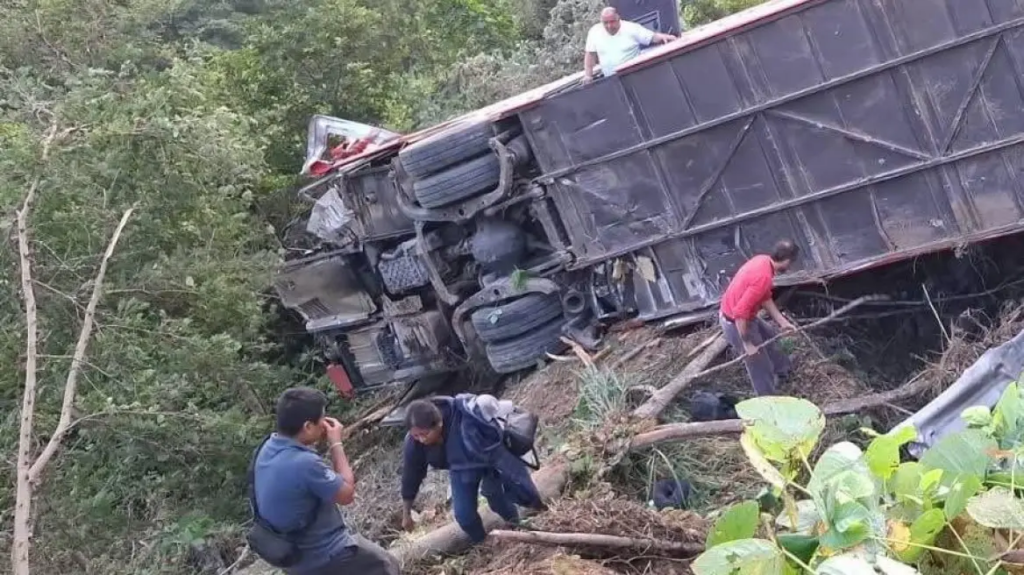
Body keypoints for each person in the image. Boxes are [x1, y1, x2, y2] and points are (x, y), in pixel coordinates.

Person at [253, 387, 400, 575]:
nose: (325, 423)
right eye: (322, 419)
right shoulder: (303, 463)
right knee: (386, 564)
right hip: (323, 555)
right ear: (307, 427)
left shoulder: (267, 448)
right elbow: (347, 495)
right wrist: (336, 443)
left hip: (291, 558)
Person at [400, 394, 544, 543]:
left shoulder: (468, 417)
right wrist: (406, 514)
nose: (421, 440)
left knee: (496, 499)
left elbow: (502, 455)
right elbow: (411, 475)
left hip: (489, 460)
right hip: (461, 469)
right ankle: (483, 543)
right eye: (416, 436)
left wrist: (528, 493)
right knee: (464, 516)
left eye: (424, 434)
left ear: (439, 424)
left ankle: (518, 527)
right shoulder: (414, 443)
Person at [719, 240, 800, 396]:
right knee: (759, 364)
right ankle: (767, 400)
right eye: (791, 264)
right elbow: (740, 313)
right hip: (735, 322)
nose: (790, 268)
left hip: (747, 317)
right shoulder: (762, 277)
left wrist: (783, 322)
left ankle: (784, 370)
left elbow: (765, 297)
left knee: (771, 337)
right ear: (788, 261)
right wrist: (747, 343)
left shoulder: (762, 260)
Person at [583, 7, 677, 83]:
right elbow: (590, 54)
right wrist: (588, 75)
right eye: (605, 23)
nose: (609, 26)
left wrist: (666, 38)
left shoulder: (630, 28)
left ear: (618, 19)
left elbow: (651, 37)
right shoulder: (595, 32)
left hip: (633, 77)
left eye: (612, 22)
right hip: (611, 80)